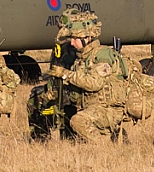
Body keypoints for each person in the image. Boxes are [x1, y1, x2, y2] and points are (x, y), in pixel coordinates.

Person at [47, 11, 137, 144]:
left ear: (87, 38)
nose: (72, 43)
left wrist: (65, 74)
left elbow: (95, 83)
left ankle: (104, 147)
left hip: (108, 109)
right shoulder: (82, 58)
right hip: (91, 108)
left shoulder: (102, 55)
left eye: (75, 39)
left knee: (78, 121)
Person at [27, 7, 81, 140]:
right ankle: (40, 137)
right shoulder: (61, 46)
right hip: (58, 88)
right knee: (35, 98)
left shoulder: (76, 48)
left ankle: (66, 136)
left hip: (71, 90)